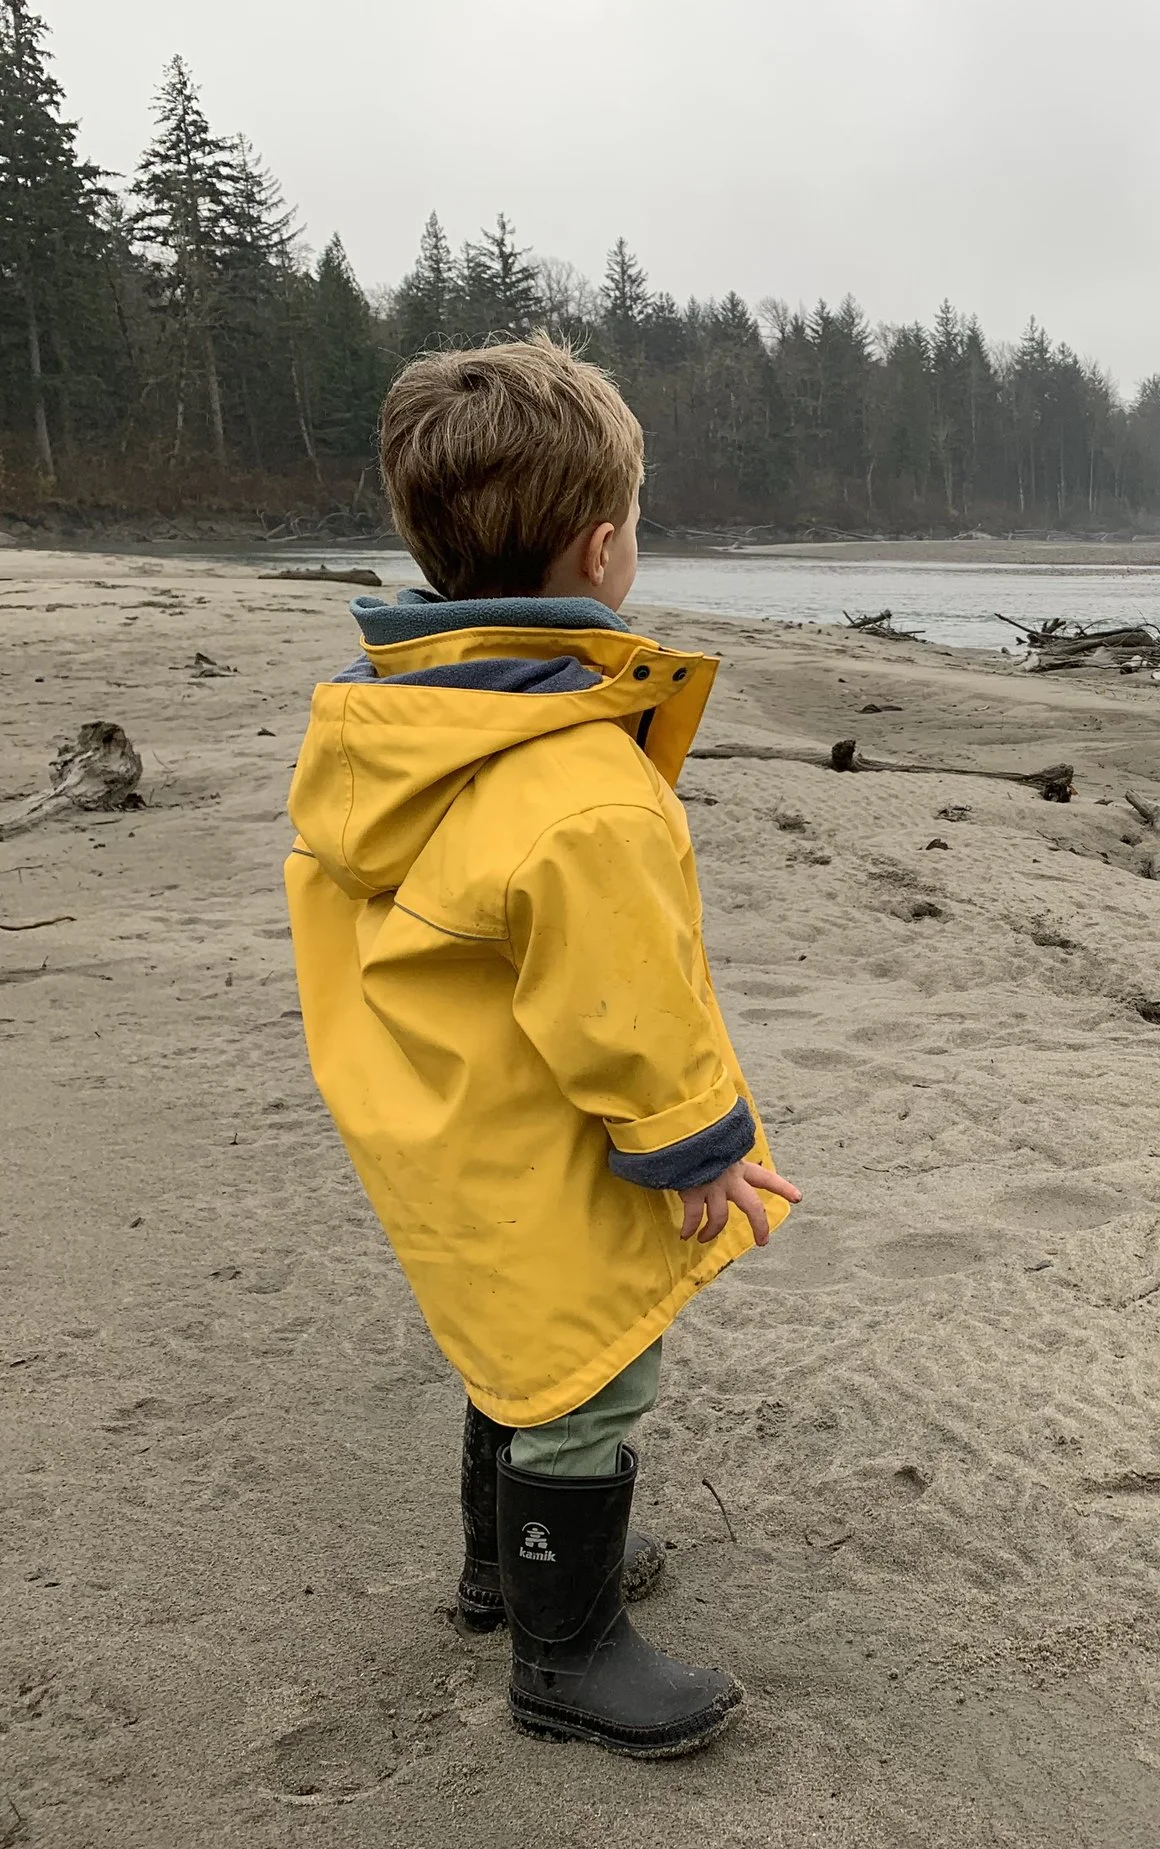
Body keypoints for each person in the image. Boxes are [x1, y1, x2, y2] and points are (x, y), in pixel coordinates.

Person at [283, 334, 800, 1759]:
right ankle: (563, 1659)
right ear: (604, 543)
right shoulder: (579, 781)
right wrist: (700, 1148)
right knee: (587, 1366)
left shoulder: (393, 723)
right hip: (536, 1127)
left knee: (509, 1344)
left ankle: (497, 1573)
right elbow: (625, 1005)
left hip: (436, 1102)